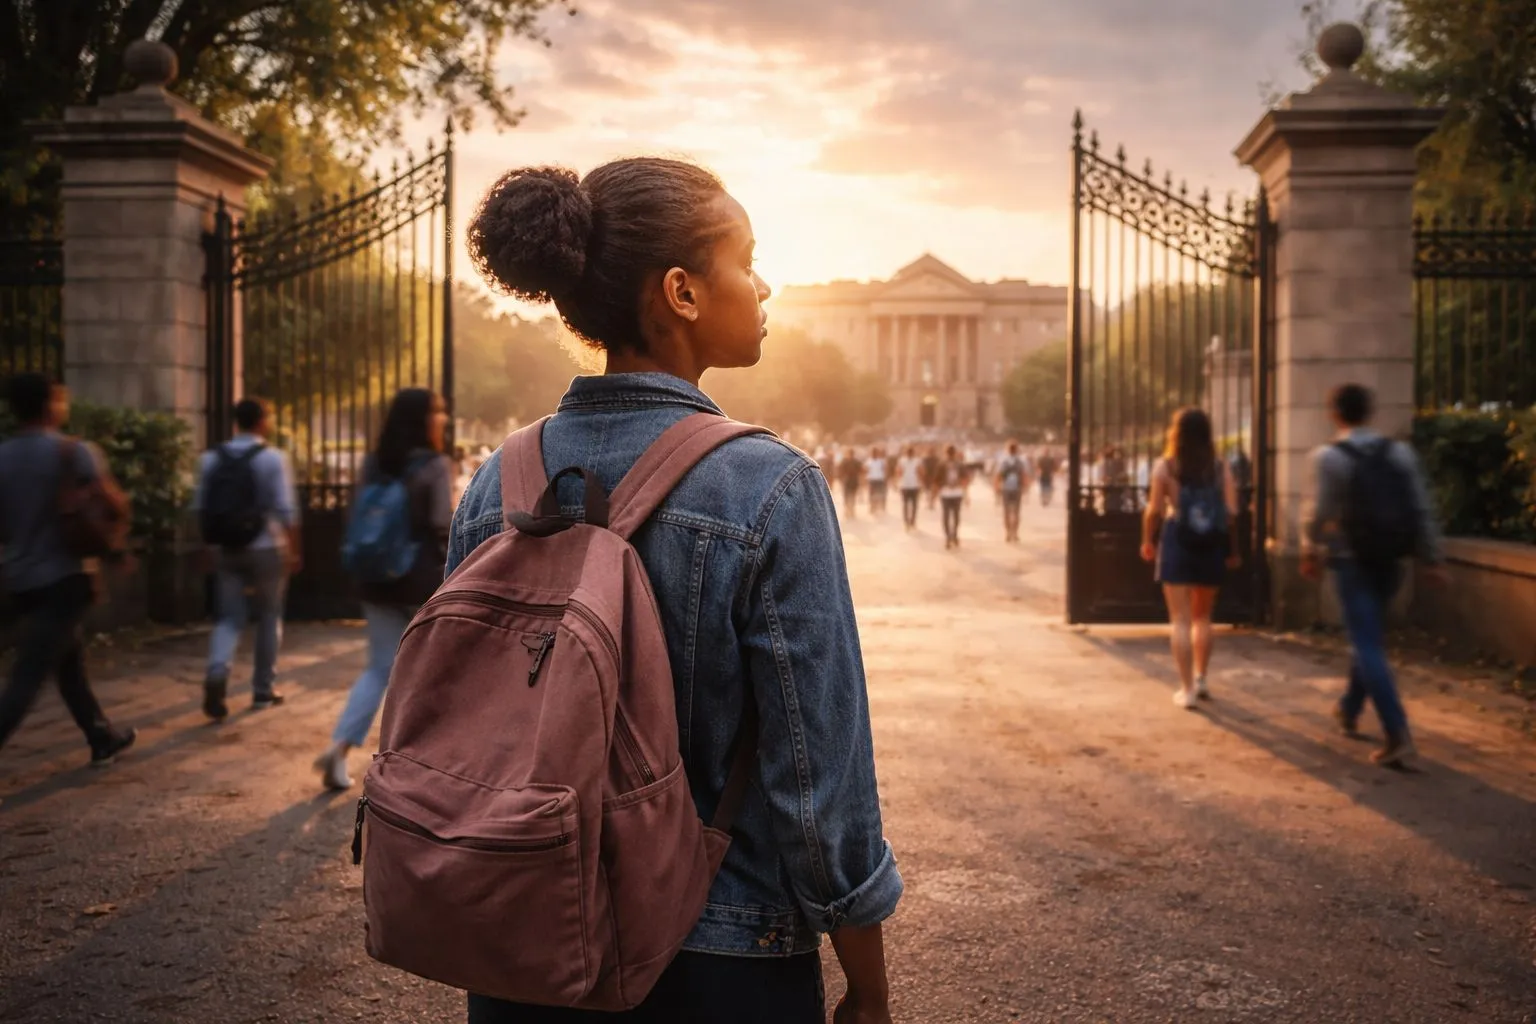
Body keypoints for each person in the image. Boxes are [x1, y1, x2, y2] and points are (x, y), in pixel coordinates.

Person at [453, 159, 899, 1022]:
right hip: (721, 952)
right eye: (748, 258)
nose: (766, 284)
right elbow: (817, 779)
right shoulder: (771, 487)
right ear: (682, 293)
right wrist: (868, 982)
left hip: (528, 944)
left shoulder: (496, 482)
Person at [314, 388, 453, 791]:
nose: (442, 418)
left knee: (379, 669)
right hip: (421, 581)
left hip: (376, 578)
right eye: (438, 411)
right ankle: (421, 762)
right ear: (424, 419)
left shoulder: (375, 463)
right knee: (430, 672)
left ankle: (339, 748)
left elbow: (354, 513)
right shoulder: (434, 465)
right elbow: (443, 525)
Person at [1302, 384, 1445, 768]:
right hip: (1391, 561)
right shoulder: (1398, 452)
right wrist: (1431, 558)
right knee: (1368, 638)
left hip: (1352, 560)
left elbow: (1318, 513)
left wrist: (1308, 547)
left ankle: (1397, 733)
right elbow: (1421, 506)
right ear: (1370, 412)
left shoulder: (1330, 457)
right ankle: (1349, 708)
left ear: (1335, 413)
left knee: (1366, 644)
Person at [0, 374, 137, 766]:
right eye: (59, 400)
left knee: (68, 660)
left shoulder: (3, 456)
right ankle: (99, 735)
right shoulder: (71, 452)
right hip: (63, 577)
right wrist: (117, 548)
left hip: (20, 579)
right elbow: (111, 505)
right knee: (28, 675)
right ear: (49, 405)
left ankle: (101, 735)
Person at [194, 397, 300, 720]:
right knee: (269, 615)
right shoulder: (271, 458)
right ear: (262, 421)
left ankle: (217, 671)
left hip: (226, 548)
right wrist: (295, 549)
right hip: (266, 546)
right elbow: (286, 510)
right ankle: (263, 689)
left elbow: (200, 508)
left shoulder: (211, 458)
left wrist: (207, 547)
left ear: (236, 421)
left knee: (228, 617)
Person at [1140, 409, 1240, 709]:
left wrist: (1148, 540)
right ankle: (1202, 678)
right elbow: (1232, 512)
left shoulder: (1166, 467)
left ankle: (1187, 691)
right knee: (1203, 617)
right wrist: (1233, 551)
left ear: (1176, 433)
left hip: (1177, 540)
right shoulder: (1220, 468)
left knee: (1180, 620)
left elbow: (1155, 510)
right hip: (1210, 543)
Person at [996, 442, 1028, 543]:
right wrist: (1025, 487)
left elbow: (998, 475)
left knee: (1007, 512)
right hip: (1016, 488)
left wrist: (997, 487)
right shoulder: (1020, 461)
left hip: (1006, 488)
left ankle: (1008, 533)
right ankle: (1014, 533)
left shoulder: (1003, 461)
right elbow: (1023, 475)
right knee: (1016, 512)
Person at [938, 445, 967, 550]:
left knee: (947, 516)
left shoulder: (942, 464)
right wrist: (965, 492)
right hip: (956, 493)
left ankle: (949, 537)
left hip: (947, 493)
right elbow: (965, 479)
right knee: (955, 516)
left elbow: (937, 480)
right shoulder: (959, 464)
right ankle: (953, 536)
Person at [896, 445, 923, 531]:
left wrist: (899, 480)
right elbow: (920, 472)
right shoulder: (917, 460)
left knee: (906, 504)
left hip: (905, 485)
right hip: (913, 485)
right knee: (913, 505)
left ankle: (907, 522)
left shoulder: (902, 460)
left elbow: (898, 472)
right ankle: (911, 522)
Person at [837, 448, 864, 519]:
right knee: (849, 496)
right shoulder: (848, 461)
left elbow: (840, 471)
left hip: (851, 481)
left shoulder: (849, 461)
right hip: (849, 481)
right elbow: (861, 471)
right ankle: (849, 511)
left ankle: (850, 511)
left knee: (850, 496)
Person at [864, 446, 889, 516]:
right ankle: (872, 507)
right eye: (873, 453)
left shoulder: (881, 461)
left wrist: (885, 479)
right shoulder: (868, 461)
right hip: (872, 480)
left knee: (878, 494)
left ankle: (877, 507)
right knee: (871, 494)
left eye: (875, 453)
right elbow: (865, 470)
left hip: (879, 480)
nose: (874, 454)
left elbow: (885, 470)